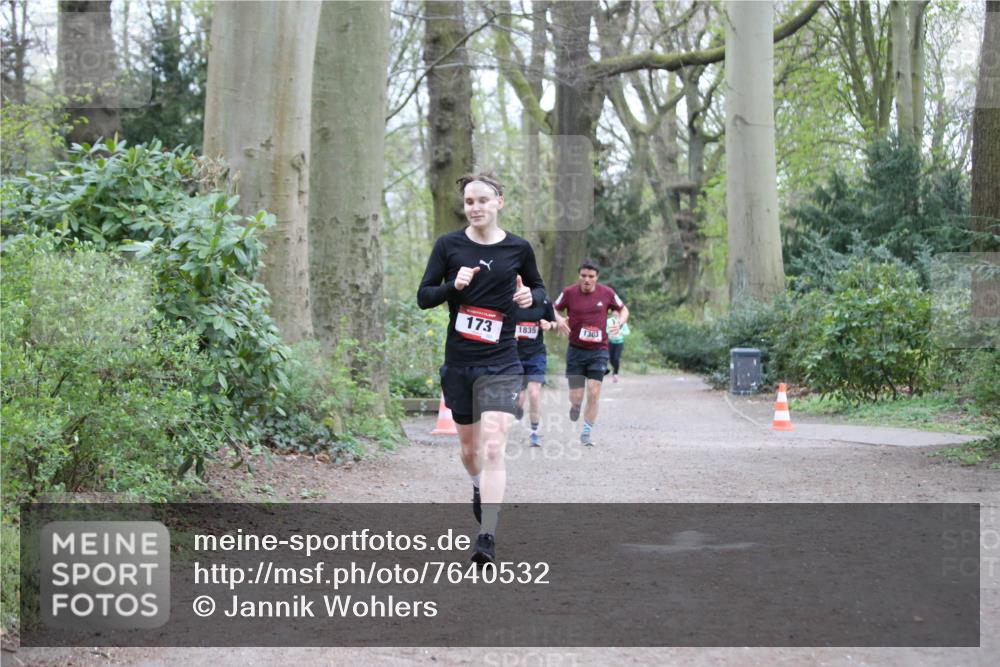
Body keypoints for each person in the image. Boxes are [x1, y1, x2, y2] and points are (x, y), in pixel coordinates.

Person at [417, 172, 547, 565]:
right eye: (469, 201)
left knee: (493, 446)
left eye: (483, 200)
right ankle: (477, 485)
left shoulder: (518, 249)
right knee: (470, 450)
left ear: (499, 203)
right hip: (459, 363)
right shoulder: (448, 246)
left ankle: (486, 536)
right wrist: (452, 287)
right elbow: (424, 297)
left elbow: (541, 297)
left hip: (502, 360)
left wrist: (530, 296)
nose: (475, 207)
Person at [553, 261, 629, 446]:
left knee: (594, 392)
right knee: (576, 396)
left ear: (596, 278)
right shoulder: (569, 292)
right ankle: (575, 406)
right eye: (584, 276)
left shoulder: (607, 293)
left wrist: (619, 323)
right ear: (579, 275)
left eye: (591, 276)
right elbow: (553, 307)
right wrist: (560, 319)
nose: (587, 279)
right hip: (576, 351)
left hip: (599, 350)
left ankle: (586, 433)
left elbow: (623, 309)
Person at [513, 295, 557, 447]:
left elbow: (554, 322)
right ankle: (517, 408)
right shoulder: (507, 297)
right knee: (518, 397)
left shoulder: (543, 300)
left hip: (536, 355)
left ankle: (534, 432)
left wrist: (549, 325)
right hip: (514, 354)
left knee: (534, 392)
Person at [605, 288, 631, 382]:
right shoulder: (608, 321)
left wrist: (620, 332)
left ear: (619, 313)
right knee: (610, 358)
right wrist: (609, 333)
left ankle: (616, 374)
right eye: (614, 311)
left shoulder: (622, 322)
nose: (615, 313)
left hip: (619, 342)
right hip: (611, 342)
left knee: (616, 358)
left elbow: (627, 332)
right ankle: (613, 370)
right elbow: (605, 330)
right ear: (612, 312)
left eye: (617, 312)